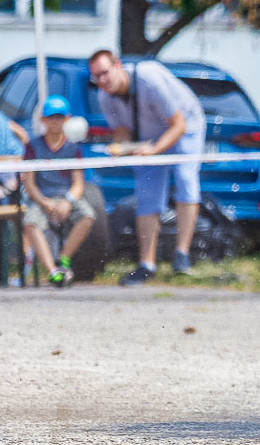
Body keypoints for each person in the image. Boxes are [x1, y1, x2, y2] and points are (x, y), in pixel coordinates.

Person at [88, 48, 206, 284]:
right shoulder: (105, 97)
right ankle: (147, 264)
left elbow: (178, 125)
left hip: (185, 128)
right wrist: (120, 147)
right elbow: (123, 132)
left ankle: (181, 256)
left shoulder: (149, 79)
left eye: (105, 73)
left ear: (118, 65)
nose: (102, 80)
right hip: (148, 137)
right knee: (147, 194)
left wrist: (155, 149)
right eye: (96, 76)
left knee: (185, 180)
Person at [20, 95, 96, 287]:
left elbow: (78, 184)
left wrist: (67, 201)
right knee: (30, 223)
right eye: (51, 117)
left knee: (87, 215)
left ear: (67, 118)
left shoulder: (73, 148)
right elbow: (29, 184)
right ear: (43, 119)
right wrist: (43, 202)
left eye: (59, 117)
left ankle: (63, 259)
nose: (55, 121)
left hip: (65, 197)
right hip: (41, 198)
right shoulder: (32, 147)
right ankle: (52, 271)